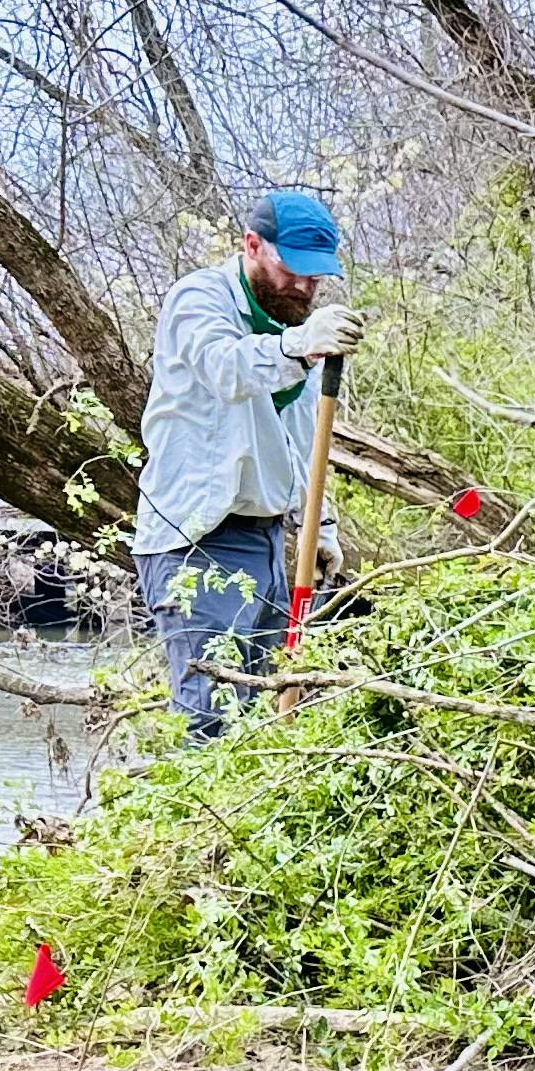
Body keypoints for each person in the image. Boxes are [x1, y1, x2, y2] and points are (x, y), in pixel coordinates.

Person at [139, 190, 359, 741]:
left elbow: (302, 440)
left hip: (265, 538)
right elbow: (226, 369)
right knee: (209, 715)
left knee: (259, 712)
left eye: (315, 276)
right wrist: (299, 346)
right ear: (252, 246)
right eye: (292, 269)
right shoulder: (199, 299)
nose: (303, 286)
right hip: (196, 540)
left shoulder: (299, 328)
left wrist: (320, 524)